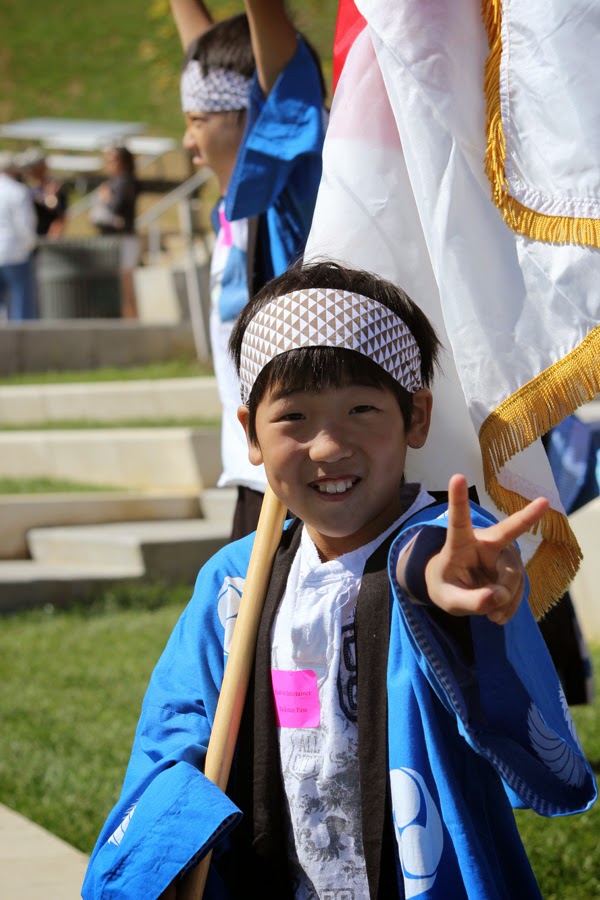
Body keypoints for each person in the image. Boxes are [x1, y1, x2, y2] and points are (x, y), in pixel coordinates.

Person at [81, 260, 596, 900]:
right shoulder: (236, 583)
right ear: (250, 434)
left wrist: (444, 596)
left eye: (361, 408)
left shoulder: (442, 542)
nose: (328, 446)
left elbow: (424, 565)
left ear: (416, 417)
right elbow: (175, 727)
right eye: (293, 417)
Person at [170, 0, 326, 540]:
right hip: (253, 472)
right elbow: (204, 55)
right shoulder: (233, 210)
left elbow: (281, 75)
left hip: (302, 478)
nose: (188, 140)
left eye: (198, 121)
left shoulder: (285, 191)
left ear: (257, 117)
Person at [89, 145, 141, 318]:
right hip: (115, 239)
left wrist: (105, 198)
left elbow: (116, 207)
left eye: (113, 160)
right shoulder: (116, 182)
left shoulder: (125, 181)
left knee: (126, 284)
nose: (109, 163)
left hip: (124, 239)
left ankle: (131, 321)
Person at [0, 151, 37, 320]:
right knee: (21, 303)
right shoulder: (18, 191)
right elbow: (25, 227)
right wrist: (30, 247)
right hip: (15, 254)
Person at [19, 148, 68, 239]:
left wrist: (51, 238)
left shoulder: (54, 186)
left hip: (46, 239)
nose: (29, 170)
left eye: (33, 167)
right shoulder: (28, 188)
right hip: (30, 237)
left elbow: (60, 216)